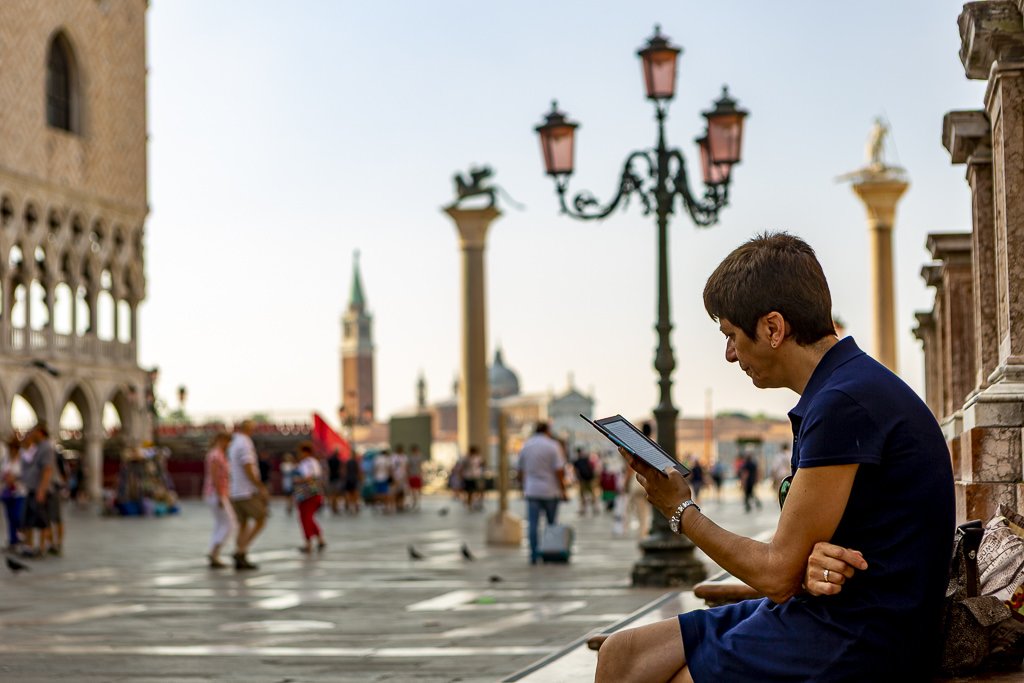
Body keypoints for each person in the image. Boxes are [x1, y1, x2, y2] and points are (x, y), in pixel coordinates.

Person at [595, 233, 955, 682]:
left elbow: (776, 574)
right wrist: (802, 564)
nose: (729, 355)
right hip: (826, 607)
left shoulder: (845, 403)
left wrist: (679, 509)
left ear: (772, 328)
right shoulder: (843, 389)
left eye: (730, 335)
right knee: (622, 653)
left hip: (861, 634)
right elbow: (798, 561)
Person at [517, 423, 567, 565]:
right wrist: (563, 490)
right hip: (551, 490)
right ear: (547, 430)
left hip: (532, 490)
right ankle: (549, 553)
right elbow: (559, 470)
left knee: (533, 524)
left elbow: (520, 470)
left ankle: (533, 555)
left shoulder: (526, 445)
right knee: (551, 525)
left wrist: (522, 486)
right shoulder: (553, 445)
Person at [228, 420, 269, 570]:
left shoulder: (234, 443)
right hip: (246, 491)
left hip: (234, 490)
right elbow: (248, 466)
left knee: (243, 524)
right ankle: (241, 551)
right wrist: (259, 486)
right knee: (261, 518)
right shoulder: (245, 443)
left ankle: (240, 554)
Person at [20, 424, 54, 558]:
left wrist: (42, 490)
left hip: (39, 490)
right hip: (32, 489)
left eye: (33, 431)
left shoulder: (46, 447)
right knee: (29, 520)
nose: (31, 434)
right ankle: (29, 547)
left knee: (42, 520)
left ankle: (42, 548)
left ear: (40, 432)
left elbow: (47, 469)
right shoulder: (36, 447)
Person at [202, 432, 235, 568]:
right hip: (216, 493)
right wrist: (220, 495)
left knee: (220, 523)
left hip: (217, 492)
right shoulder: (216, 455)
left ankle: (214, 552)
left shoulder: (217, 454)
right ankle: (214, 550)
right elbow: (215, 476)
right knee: (229, 523)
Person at [292, 441, 326, 554]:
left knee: (305, 518)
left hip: (308, 494)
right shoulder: (313, 462)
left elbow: (310, 477)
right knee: (308, 518)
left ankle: (308, 543)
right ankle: (319, 539)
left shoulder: (308, 463)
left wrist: (298, 480)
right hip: (311, 493)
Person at [1, 436, 25, 550]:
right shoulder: (6, 459)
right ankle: (13, 540)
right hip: (8, 492)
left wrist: (14, 478)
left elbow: (25, 473)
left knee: (17, 516)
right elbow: (2, 472)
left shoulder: (22, 459)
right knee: (9, 517)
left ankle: (21, 534)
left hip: (20, 492)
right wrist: (6, 477)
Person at [572, 447, 598, 516]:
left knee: (583, 495)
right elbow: (592, 468)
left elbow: (576, 471)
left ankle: (584, 509)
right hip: (588, 479)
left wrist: (576, 479)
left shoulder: (577, 461)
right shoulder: (586, 459)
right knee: (591, 494)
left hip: (583, 479)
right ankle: (595, 508)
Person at [462, 445, 484, 511]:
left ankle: (477, 502)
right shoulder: (466, 458)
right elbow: (464, 466)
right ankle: (469, 504)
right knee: (470, 492)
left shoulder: (478, 457)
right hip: (469, 477)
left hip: (476, 476)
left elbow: (482, 464)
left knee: (480, 490)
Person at [342, 448, 363, 513]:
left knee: (349, 493)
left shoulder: (347, 462)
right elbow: (359, 471)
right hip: (354, 479)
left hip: (348, 479)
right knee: (355, 493)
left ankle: (351, 506)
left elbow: (344, 471)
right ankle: (356, 506)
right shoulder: (356, 462)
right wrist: (360, 478)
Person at [390, 445, 410, 512]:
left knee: (402, 492)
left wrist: (406, 476)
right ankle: (395, 505)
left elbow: (406, 467)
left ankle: (401, 504)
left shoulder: (404, 457)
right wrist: (393, 477)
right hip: (396, 476)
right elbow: (392, 468)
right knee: (395, 492)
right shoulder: (394, 457)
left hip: (403, 476)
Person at [407, 444, 424, 510]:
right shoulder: (411, 457)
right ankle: (415, 502)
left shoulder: (418, 457)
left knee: (417, 490)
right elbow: (408, 467)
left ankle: (417, 502)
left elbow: (421, 467)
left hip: (416, 475)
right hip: (413, 475)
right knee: (413, 490)